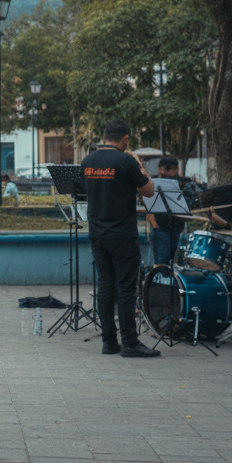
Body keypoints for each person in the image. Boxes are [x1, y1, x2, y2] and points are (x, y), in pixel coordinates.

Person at [81, 119, 159, 358]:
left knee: (105, 286)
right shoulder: (126, 161)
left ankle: (109, 342)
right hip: (123, 235)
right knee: (125, 288)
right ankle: (130, 342)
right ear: (125, 139)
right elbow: (149, 191)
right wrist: (138, 163)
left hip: (97, 234)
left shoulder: (88, 161)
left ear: (105, 136)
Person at [142, 157, 189, 265]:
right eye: (164, 169)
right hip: (160, 224)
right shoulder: (153, 182)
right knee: (162, 260)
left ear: (176, 169)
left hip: (176, 225)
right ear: (160, 169)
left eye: (170, 169)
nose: (166, 172)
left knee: (173, 260)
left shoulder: (181, 183)